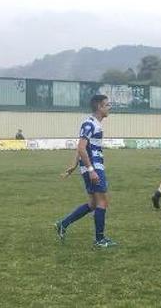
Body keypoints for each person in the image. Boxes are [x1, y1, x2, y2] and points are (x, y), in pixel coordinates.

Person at [54, 95, 116, 249]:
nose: (110, 107)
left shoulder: (94, 124)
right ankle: (99, 240)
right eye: (107, 105)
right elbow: (81, 147)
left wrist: (75, 165)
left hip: (92, 166)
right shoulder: (89, 124)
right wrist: (91, 170)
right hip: (93, 167)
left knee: (93, 203)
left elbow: (82, 147)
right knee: (102, 202)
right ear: (99, 107)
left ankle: (63, 224)